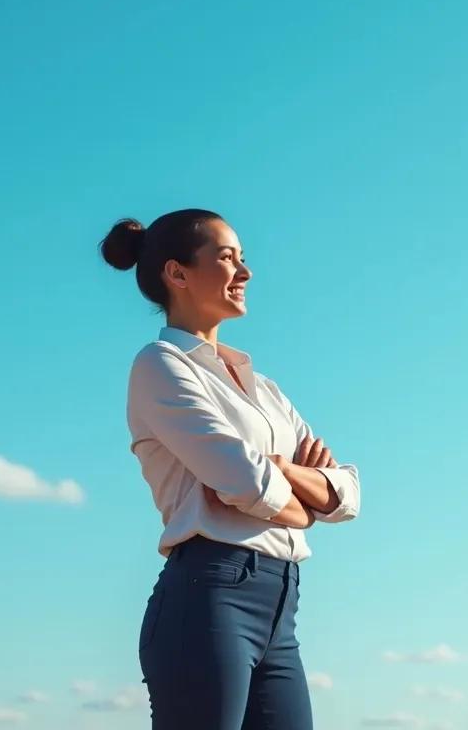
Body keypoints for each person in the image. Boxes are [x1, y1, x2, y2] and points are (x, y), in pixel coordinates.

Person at [99, 208, 361, 729]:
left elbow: (347, 493)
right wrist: (300, 504)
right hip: (209, 597)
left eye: (244, 258)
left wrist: (280, 469)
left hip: (281, 608)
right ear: (177, 273)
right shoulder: (160, 366)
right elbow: (244, 482)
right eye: (226, 258)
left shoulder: (263, 388)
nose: (246, 272)